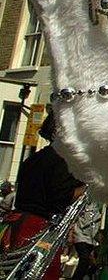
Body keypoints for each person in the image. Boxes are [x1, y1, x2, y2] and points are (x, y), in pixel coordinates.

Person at [2, 113, 84, 280]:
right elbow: (63, 196)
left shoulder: (34, 158)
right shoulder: (61, 161)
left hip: (18, 223)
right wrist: (89, 187)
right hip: (38, 229)